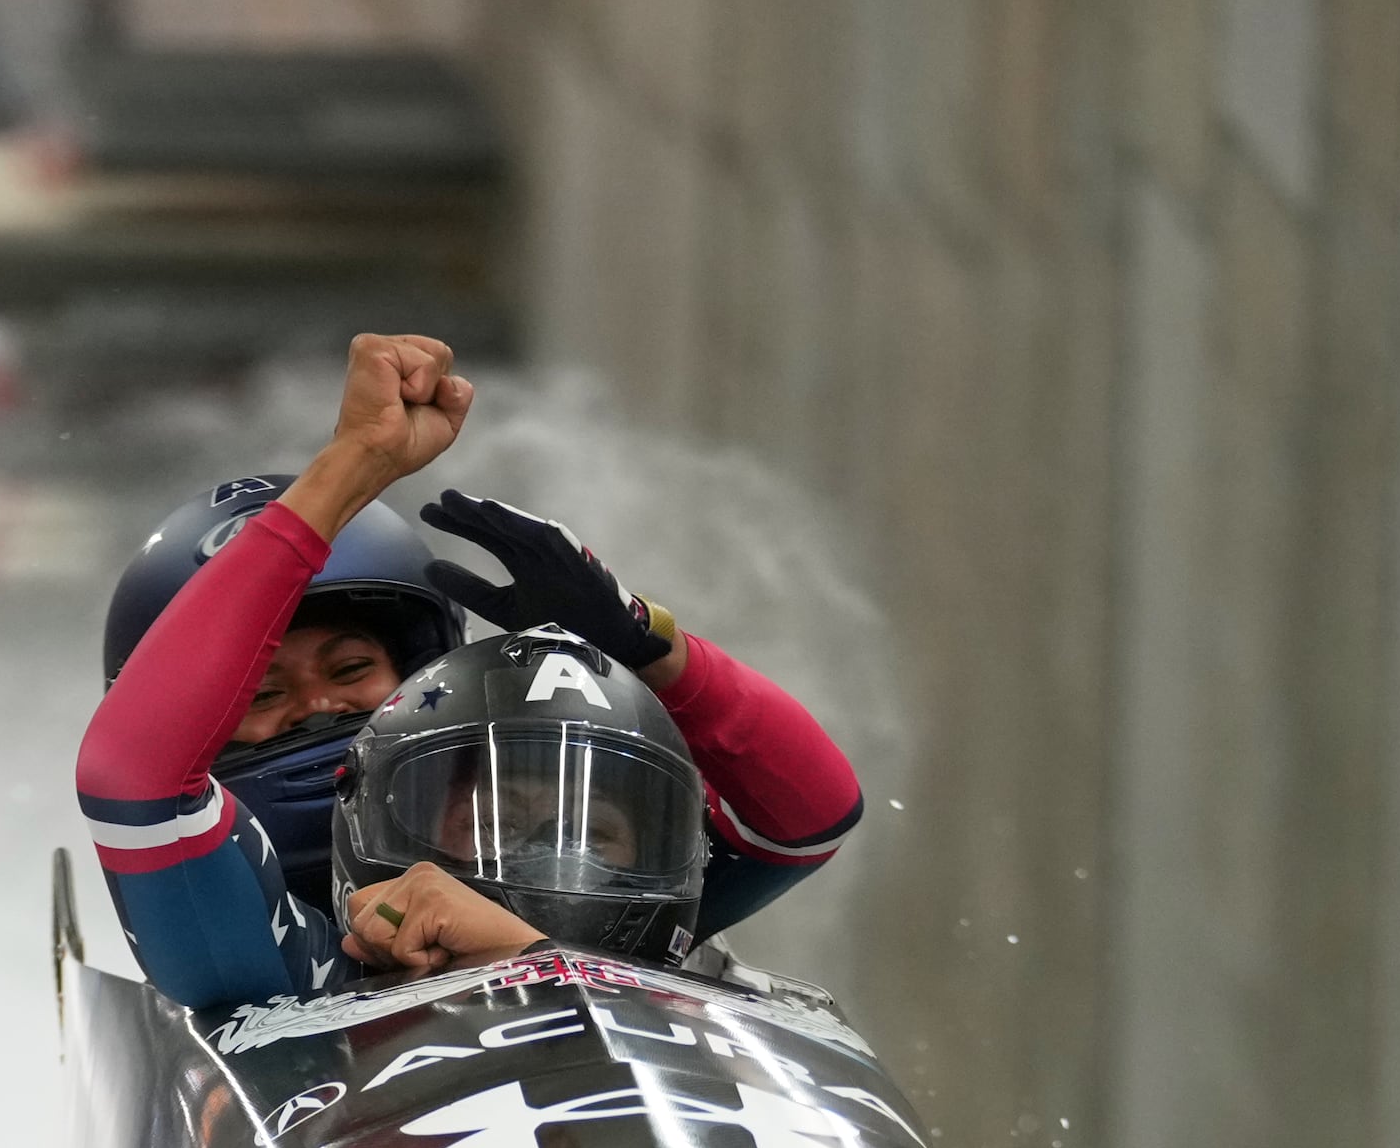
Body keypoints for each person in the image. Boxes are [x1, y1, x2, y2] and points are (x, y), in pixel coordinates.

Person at [77, 333, 864, 1015]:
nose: (318, 708)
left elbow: (807, 813)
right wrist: (353, 466)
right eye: (264, 693)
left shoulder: (585, 873)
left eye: (351, 668)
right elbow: (135, 776)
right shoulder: (276, 957)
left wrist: (642, 641)